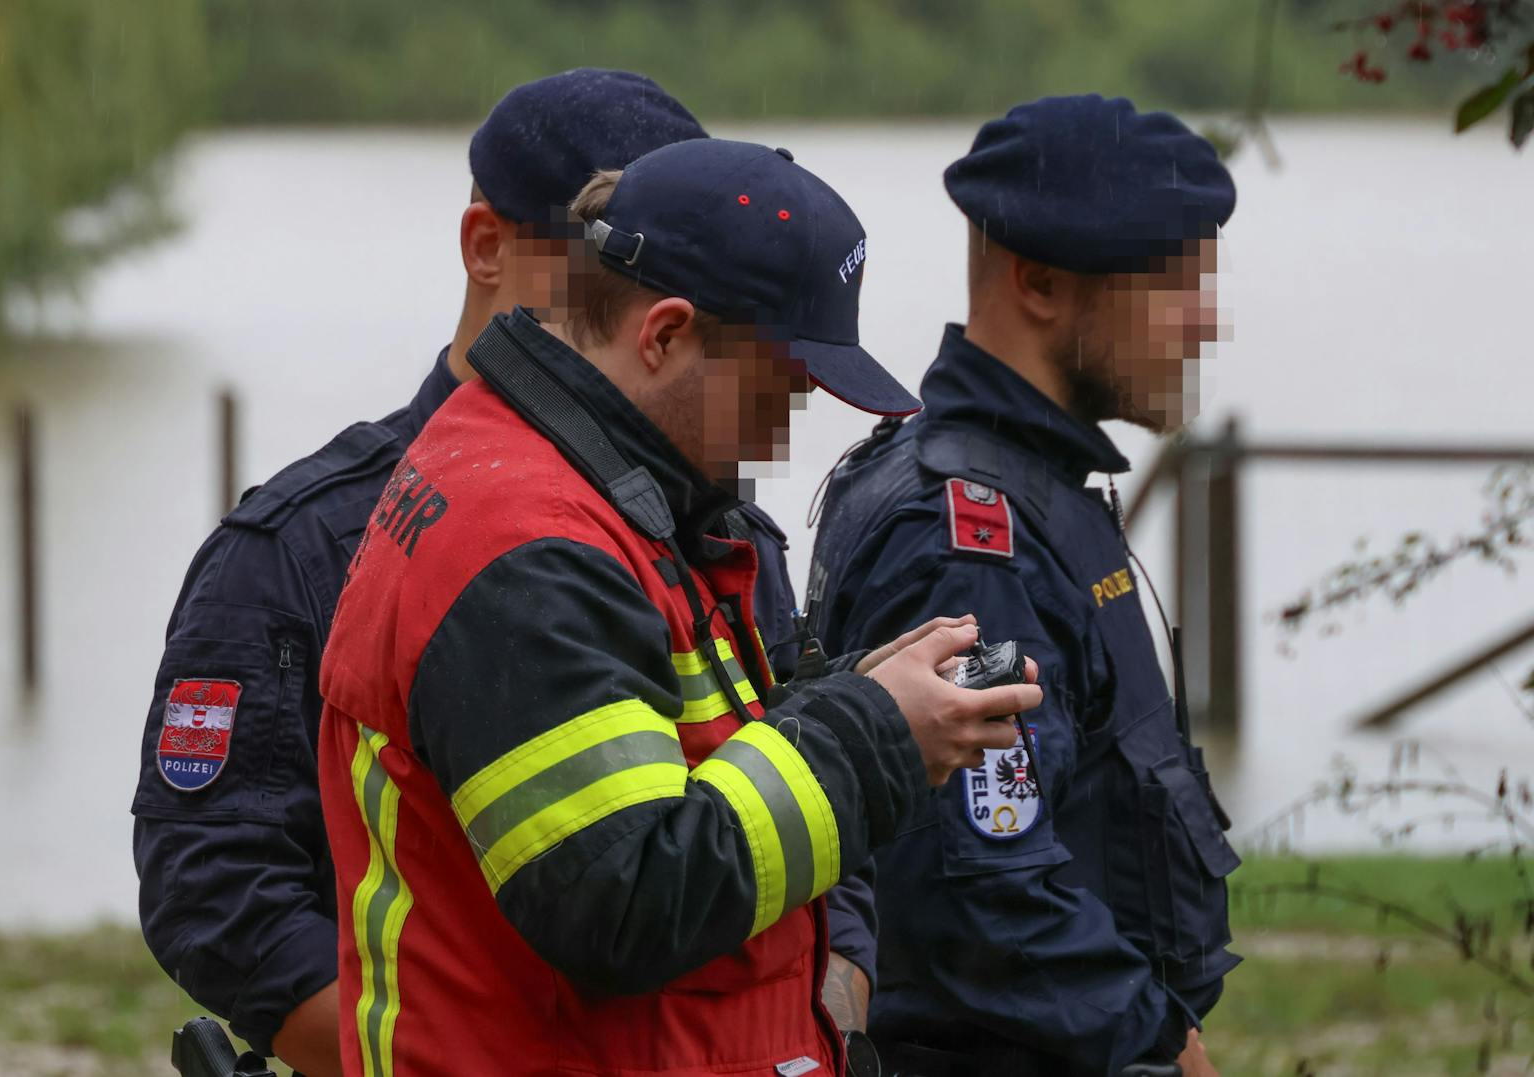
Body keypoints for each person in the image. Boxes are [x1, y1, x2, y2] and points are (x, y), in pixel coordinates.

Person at [316, 138, 1044, 1077]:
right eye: (778, 388)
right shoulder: (528, 547)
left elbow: (681, 771)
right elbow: (623, 896)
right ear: (662, 333)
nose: (781, 432)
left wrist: (851, 701)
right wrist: (874, 737)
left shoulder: (587, 484)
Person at [127, 70, 806, 1077]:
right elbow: (213, 883)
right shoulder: (301, 542)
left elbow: (797, 784)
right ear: (484, 246)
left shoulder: (723, 530)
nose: (627, 307)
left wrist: (838, 983)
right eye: (589, 265)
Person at [806, 95, 1243, 1077]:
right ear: (1040, 284)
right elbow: (979, 894)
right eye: (1173, 286)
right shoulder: (969, 546)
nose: (1205, 323)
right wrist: (1157, 1039)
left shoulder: (1007, 488)